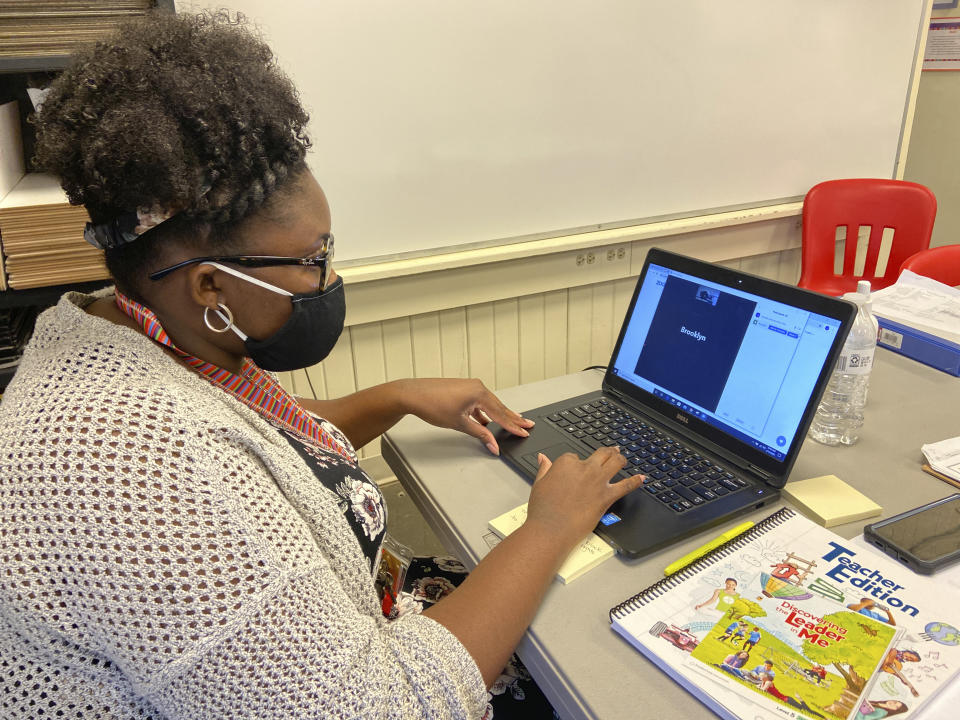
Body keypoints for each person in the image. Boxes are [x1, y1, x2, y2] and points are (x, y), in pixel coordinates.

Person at [0, 11, 645, 718]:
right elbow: (380, 709)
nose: (327, 280)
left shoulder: (123, 322)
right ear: (209, 285)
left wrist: (397, 396)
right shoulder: (135, 463)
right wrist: (550, 527)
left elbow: (257, 441)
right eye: (312, 261)